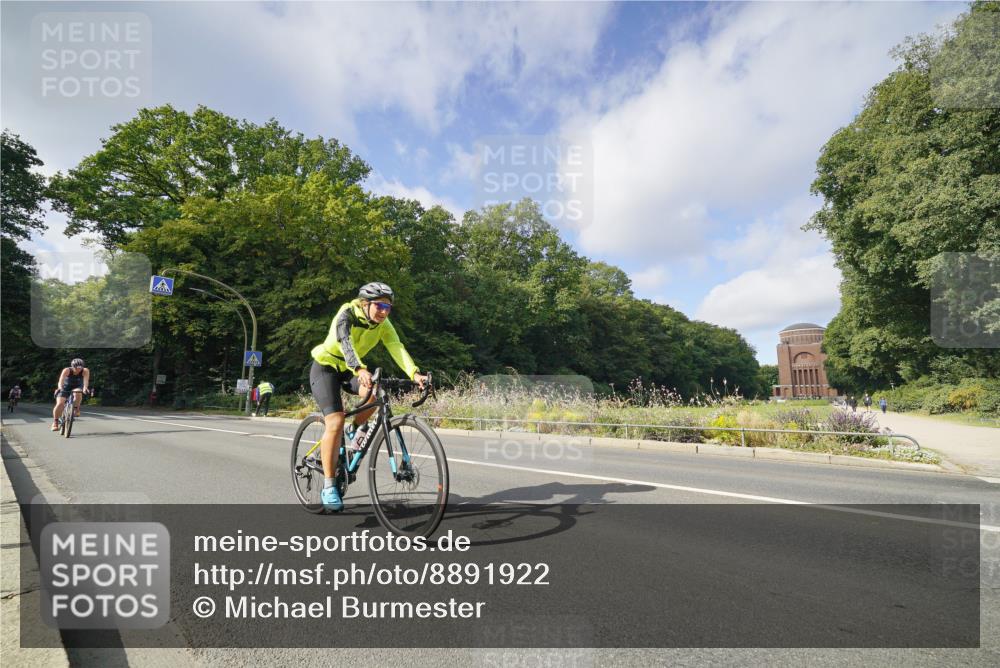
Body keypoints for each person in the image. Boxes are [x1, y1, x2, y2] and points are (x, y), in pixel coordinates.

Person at [309, 282, 427, 512]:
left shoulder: (383, 324)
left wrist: (414, 373)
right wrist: (359, 369)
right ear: (365, 304)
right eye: (380, 306)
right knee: (335, 421)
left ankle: (355, 429)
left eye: (388, 307)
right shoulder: (347, 314)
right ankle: (329, 485)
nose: (384, 311)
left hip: (352, 369)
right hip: (326, 367)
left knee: (376, 392)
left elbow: (396, 346)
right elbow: (345, 342)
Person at [52, 358, 90, 430]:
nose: (78, 370)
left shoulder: (85, 370)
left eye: (80, 368)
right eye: (76, 368)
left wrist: (85, 388)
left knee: (78, 392)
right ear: (72, 367)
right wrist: (60, 388)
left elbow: (86, 381)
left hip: (78, 386)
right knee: (60, 404)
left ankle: (76, 408)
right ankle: (55, 422)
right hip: (65, 386)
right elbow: (61, 381)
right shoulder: (67, 370)